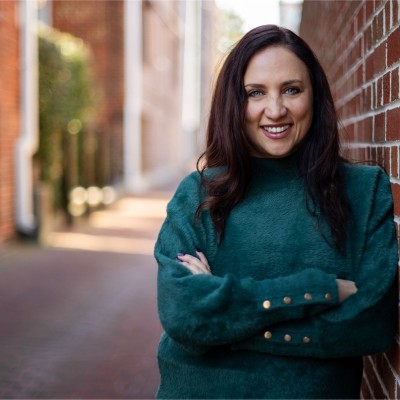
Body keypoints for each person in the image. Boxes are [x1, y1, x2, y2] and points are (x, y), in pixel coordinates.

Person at [154, 25, 398, 399]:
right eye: (255, 93)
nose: (275, 110)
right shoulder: (198, 194)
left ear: (315, 95)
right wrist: (317, 290)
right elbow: (183, 314)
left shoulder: (363, 191)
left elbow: (370, 326)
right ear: (234, 103)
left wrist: (223, 322)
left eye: (291, 89)